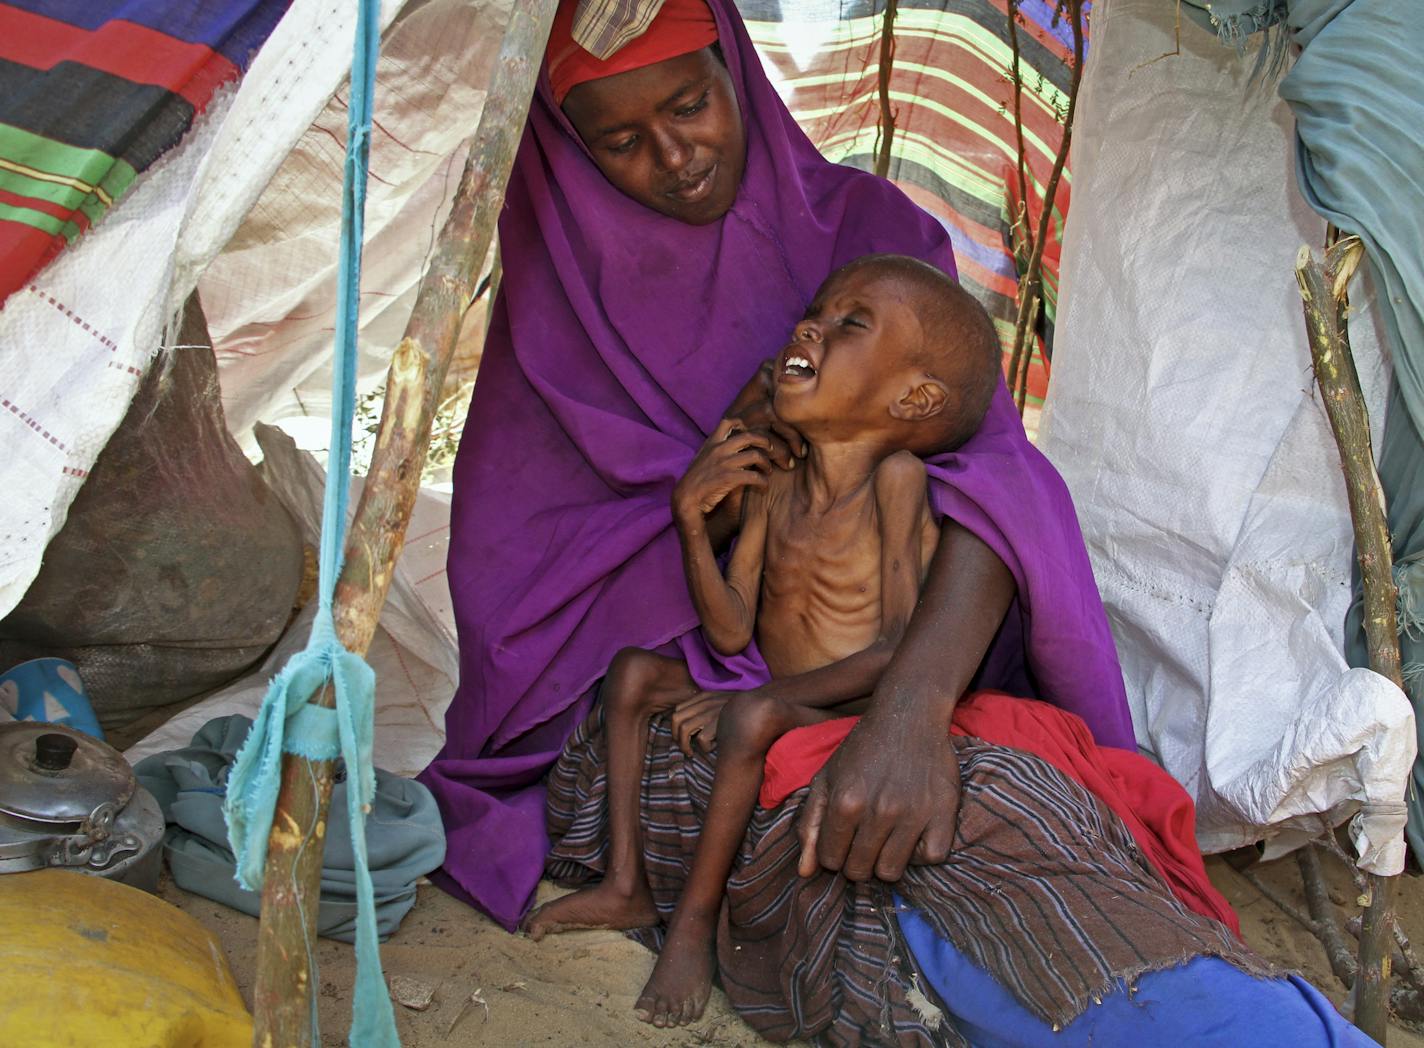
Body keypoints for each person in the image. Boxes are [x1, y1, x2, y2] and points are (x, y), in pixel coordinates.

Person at [420, 0, 1379, 1042]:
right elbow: (534, 607)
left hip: (898, 674)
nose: (674, 154)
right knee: (904, 872)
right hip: (688, 704)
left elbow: (997, 483)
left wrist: (909, 711)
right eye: (618, 141)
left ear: (733, 69)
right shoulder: (555, 319)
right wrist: (705, 521)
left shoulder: (863, 247)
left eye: (692, 106)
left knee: (1004, 819)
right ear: (564, 148)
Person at [523, 255, 1001, 1025]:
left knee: (746, 718)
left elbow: (897, 649)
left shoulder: (897, 479)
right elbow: (731, 627)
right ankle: (624, 881)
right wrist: (689, 519)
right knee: (635, 674)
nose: (810, 326)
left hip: (848, 715)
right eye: (816, 311)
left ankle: (693, 930)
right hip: (773, 695)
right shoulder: (776, 484)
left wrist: (762, 697)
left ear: (914, 397)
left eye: (852, 323)